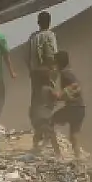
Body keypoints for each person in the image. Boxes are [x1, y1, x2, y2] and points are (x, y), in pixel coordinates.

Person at [27, 12, 60, 152]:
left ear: (38, 22)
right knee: (47, 105)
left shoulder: (32, 37)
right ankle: (47, 136)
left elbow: (26, 57)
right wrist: (53, 72)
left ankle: (38, 135)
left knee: (36, 103)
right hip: (46, 73)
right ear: (49, 22)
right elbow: (51, 55)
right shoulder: (49, 36)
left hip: (35, 74)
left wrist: (32, 70)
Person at [50, 50, 85, 157]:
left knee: (49, 123)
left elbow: (76, 86)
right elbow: (75, 90)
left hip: (73, 109)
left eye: (55, 62)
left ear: (59, 63)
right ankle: (78, 158)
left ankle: (57, 154)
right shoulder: (68, 72)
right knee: (74, 135)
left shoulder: (65, 74)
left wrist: (60, 94)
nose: (54, 65)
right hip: (80, 108)